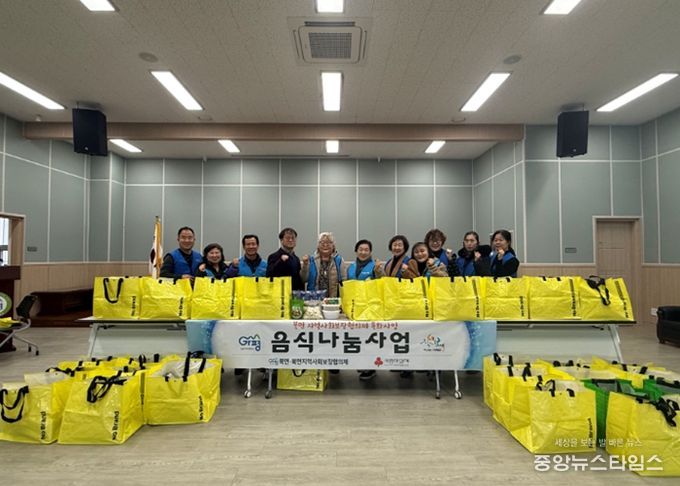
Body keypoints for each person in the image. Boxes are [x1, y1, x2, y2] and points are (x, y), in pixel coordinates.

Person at [302, 232, 344, 298]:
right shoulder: (311, 260)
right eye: (322, 242)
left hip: (333, 299)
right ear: (318, 245)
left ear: (333, 245)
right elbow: (304, 279)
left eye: (329, 242)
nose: (325, 245)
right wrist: (305, 265)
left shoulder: (338, 260)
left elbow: (344, 281)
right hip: (313, 299)